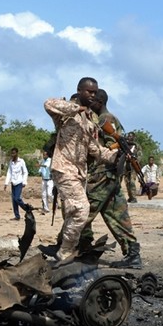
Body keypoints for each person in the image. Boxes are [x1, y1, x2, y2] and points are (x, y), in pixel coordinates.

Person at [44, 77, 117, 263]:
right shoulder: (68, 112)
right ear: (79, 90)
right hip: (64, 168)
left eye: (95, 92)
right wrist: (77, 108)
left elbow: (96, 150)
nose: (93, 95)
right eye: (89, 92)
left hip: (80, 173)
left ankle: (67, 250)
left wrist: (118, 152)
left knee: (73, 213)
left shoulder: (90, 121)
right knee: (81, 209)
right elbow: (48, 104)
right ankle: (65, 252)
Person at [78, 89, 141, 269]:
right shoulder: (105, 119)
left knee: (82, 213)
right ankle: (133, 254)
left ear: (99, 102)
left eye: (92, 100)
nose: (89, 102)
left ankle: (79, 250)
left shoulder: (105, 120)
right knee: (117, 215)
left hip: (101, 174)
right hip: (110, 175)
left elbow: (108, 148)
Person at [3, 148, 28, 220]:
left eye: (13, 153)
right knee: (14, 200)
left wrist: (24, 181)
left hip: (19, 182)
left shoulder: (21, 161)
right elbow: (9, 173)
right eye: (11, 153)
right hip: (13, 182)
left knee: (17, 198)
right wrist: (6, 183)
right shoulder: (11, 162)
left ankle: (26, 208)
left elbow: (25, 172)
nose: (12, 155)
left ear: (17, 153)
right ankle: (17, 216)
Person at [124, 132, 140, 203]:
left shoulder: (136, 146)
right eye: (128, 136)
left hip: (133, 166)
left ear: (134, 137)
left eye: (131, 136)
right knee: (127, 182)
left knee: (132, 182)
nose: (129, 137)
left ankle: (134, 197)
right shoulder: (125, 145)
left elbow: (140, 156)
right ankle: (130, 197)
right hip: (125, 166)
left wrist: (135, 160)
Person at [38, 150, 53, 215]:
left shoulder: (50, 160)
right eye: (43, 155)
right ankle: (46, 208)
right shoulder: (43, 161)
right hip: (44, 180)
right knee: (44, 195)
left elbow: (46, 166)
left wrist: (40, 165)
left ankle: (55, 202)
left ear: (47, 155)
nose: (43, 156)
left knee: (49, 194)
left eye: (45, 155)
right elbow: (41, 170)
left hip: (50, 180)